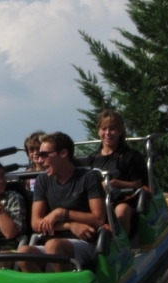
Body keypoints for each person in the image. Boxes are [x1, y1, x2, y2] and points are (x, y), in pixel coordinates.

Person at [17, 132, 106, 272]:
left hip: (86, 242)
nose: (40, 160)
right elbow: (36, 223)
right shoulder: (42, 181)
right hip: (55, 241)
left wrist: (62, 213)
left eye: (45, 154)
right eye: (39, 155)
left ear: (63, 153)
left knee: (53, 246)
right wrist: (70, 225)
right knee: (23, 253)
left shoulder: (89, 177)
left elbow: (99, 219)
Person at [80, 109, 147, 237]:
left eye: (112, 129)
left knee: (122, 210)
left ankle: (122, 245)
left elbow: (138, 184)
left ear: (120, 131)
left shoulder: (130, 156)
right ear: (98, 131)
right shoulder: (92, 159)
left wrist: (114, 183)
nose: (107, 133)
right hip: (99, 201)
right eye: (104, 129)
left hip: (125, 200)